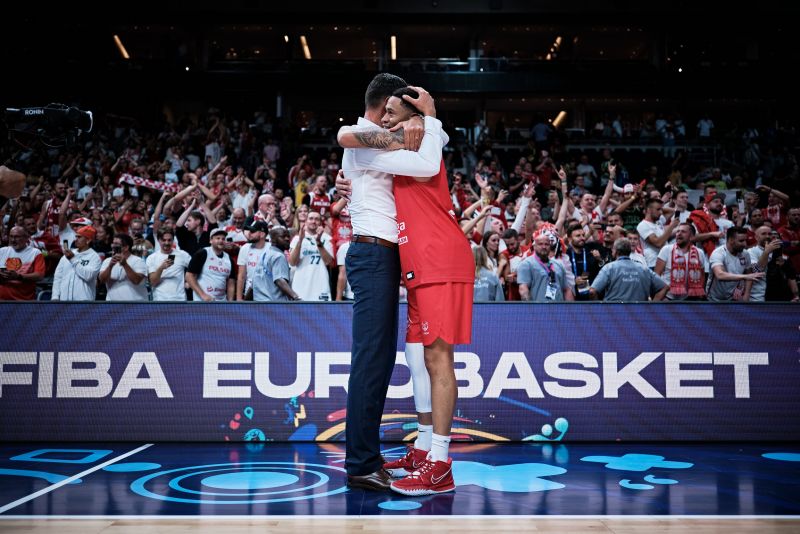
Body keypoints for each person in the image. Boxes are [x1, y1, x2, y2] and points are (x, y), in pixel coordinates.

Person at [333, 73, 443, 492]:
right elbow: (429, 160)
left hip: (382, 255)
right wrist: (426, 120)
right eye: (396, 113)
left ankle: (368, 456)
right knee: (371, 361)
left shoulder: (371, 137)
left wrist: (423, 125)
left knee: (376, 361)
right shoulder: (361, 135)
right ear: (383, 109)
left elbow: (438, 143)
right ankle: (361, 462)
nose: (399, 121)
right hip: (373, 254)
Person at [365, 87, 474, 496]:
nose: (387, 119)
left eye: (393, 113)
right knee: (416, 356)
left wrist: (428, 117)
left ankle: (441, 464)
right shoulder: (407, 145)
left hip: (439, 258)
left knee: (437, 357)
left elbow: (433, 141)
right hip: (418, 264)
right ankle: (425, 446)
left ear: (412, 114)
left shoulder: (422, 137)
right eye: (385, 113)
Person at [590, 238, 668, 301]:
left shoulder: (609, 268)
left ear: (616, 251)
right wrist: (653, 306)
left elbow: (592, 292)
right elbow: (664, 287)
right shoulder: (644, 269)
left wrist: (598, 307)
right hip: (640, 314)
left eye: (613, 249)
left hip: (613, 314)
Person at [51, 225, 102, 301]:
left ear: (88, 240)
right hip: (64, 301)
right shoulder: (68, 254)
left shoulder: (94, 257)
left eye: (79, 237)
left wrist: (73, 259)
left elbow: (88, 276)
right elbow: (58, 277)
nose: (76, 239)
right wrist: (55, 296)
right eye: (76, 237)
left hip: (84, 302)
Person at [252, 226, 301, 302]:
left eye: (288, 236)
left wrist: (245, 301)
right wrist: (296, 297)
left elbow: (253, 284)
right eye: (283, 237)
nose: (287, 239)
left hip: (259, 304)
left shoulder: (264, 254)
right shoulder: (279, 256)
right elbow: (279, 280)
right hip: (275, 305)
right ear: (273, 240)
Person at [0, 226, 45, 300]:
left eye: (17, 237)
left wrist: (18, 276)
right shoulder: (2, 251)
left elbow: (39, 275)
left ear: (26, 238)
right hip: (2, 301)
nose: (13, 240)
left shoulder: (35, 253)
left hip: (23, 302)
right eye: (11, 236)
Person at [98, 233, 148, 301]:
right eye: (113, 243)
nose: (113, 246)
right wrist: (110, 266)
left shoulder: (138, 261)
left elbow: (136, 280)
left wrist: (125, 264)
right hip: (112, 305)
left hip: (135, 305)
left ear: (126, 247)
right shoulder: (107, 261)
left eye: (116, 244)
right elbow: (102, 280)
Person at [146, 228, 192, 301]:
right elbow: (153, 283)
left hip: (180, 299)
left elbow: (196, 270)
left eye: (169, 240)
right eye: (163, 240)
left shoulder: (183, 255)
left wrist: (189, 282)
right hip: (160, 300)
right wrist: (161, 268)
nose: (167, 243)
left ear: (173, 240)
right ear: (158, 240)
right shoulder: (151, 258)